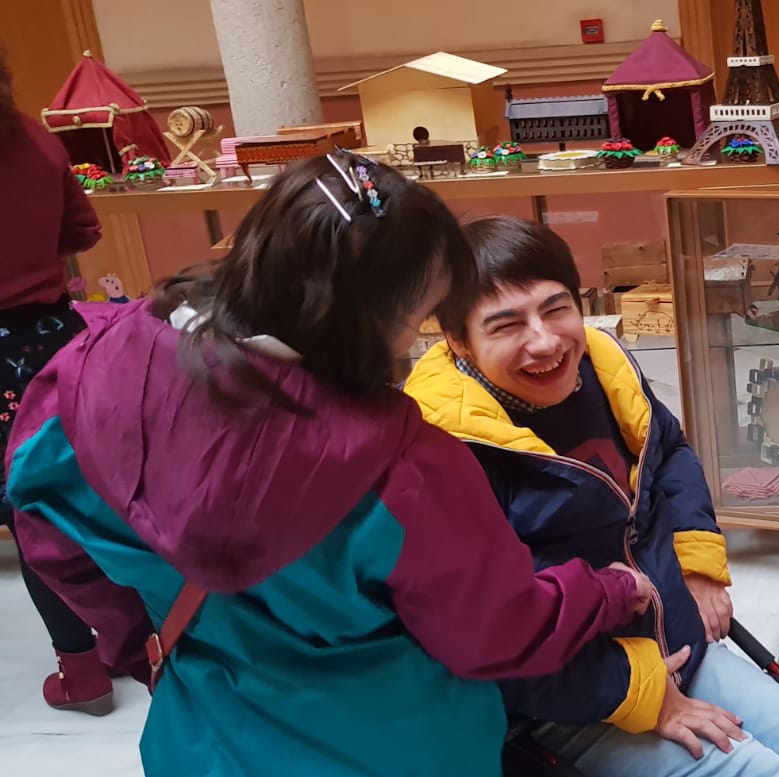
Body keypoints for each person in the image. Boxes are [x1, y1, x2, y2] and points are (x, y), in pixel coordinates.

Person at [4, 152, 657, 777]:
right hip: (392, 742)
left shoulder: (95, 365)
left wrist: (142, 642)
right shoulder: (400, 467)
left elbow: (46, 525)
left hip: (206, 733)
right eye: (416, 316)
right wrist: (605, 590)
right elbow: (494, 631)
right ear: (369, 319)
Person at [405, 216, 779, 777]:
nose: (545, 341)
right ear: (458, 340)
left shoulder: (603, 370)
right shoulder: (443, 454)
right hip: (572, 695)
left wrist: (697, 559)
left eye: (557, 308)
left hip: (673, 641)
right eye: (507, 324)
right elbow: (485, 635)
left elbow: (669, 451)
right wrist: (642, 694)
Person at [0, 44, 113, 715]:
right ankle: (147, 640)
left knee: (26, 514)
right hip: (54, 342)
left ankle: (82, 670)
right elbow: (82, 230)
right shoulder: (37, 139)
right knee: (80, 495)